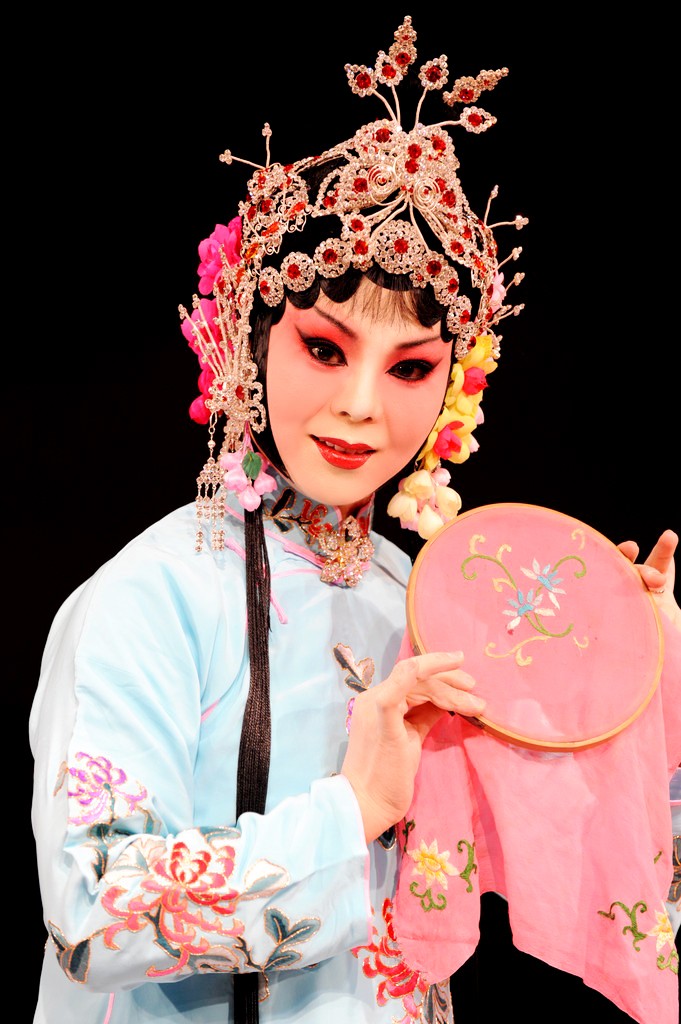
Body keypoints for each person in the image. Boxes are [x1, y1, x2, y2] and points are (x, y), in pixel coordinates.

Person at [29, 15, 680, 1024]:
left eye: (410, 368)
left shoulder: (421, 594)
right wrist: (352, 810)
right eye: (325, 350)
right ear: (248, 343)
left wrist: (623, 668)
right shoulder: (152, 597)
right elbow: (90, 909)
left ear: (453, 387)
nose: (363, 406)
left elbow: (551, 860)